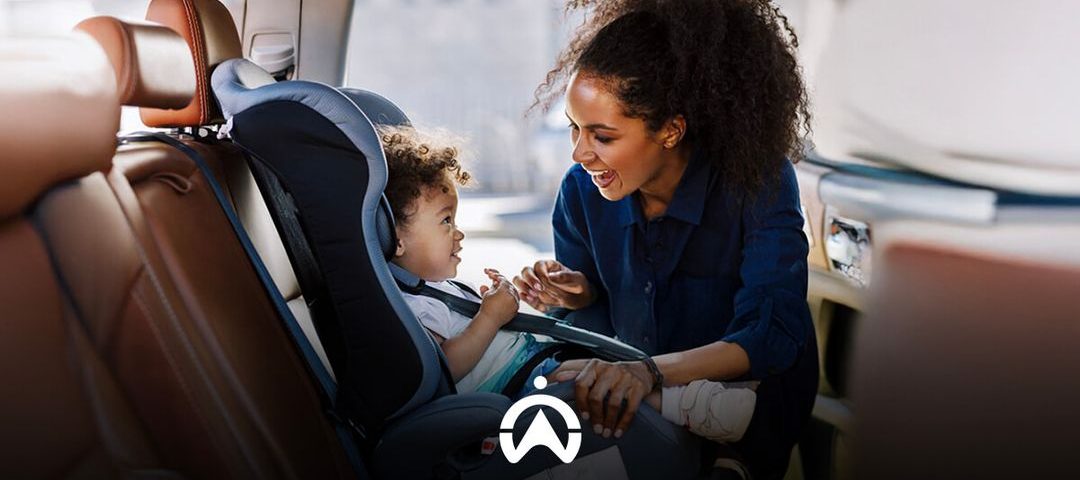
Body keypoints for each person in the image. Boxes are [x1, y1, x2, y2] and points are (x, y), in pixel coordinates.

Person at [513, 1, 819, 478]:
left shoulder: (757, 181)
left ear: (671, 130)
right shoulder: (580, 193)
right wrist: (578, 293)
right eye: (575, 129)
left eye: (603, 136)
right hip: (638, 401)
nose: (579, 153)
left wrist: (650, 371)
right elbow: (591, 327)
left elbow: (771, 333)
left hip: (743, 409)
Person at [381, 125, 760, 443]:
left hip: (532, 365)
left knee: (598, 372)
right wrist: (489, 319)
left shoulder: (433, 289)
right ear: (395, 238)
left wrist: (499, 306)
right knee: (594, 384)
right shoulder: (410, 307)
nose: (458, 233)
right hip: (518, 387)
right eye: (446, 221)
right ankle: (693, 408)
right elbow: (441, 369)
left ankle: (693, 404)